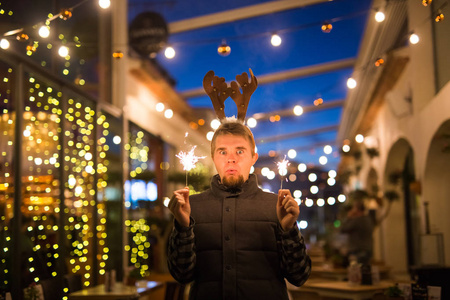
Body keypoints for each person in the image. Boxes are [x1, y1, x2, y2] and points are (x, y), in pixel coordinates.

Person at [167, 121, 311, 300]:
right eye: (223, 151)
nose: (231, 158)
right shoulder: (191, 207)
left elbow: (299, 276)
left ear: (253, 157)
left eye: (240, 151)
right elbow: (181, 275)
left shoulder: (277, 206)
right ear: (213, 157)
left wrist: (289, 230)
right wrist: (183, 227)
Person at [340, 200, 375, 265]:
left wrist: (349, 217)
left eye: (353, 208)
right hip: (367, 249)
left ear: (356, 209)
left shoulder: (357, 220)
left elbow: (343, 229)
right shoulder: (368, 219)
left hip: (357, 251)